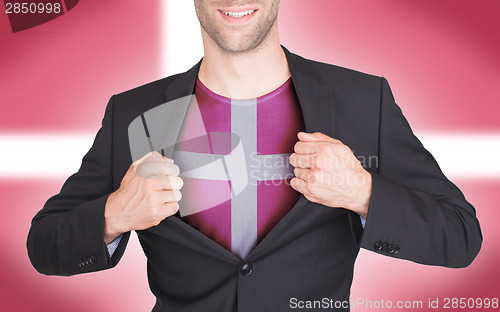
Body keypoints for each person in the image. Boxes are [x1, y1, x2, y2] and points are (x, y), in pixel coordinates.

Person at [27, 1, 482, 311]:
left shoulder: (362, 100)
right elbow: (44, 245)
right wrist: (114, 214)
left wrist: (363, 192)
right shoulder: (135, 112)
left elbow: (460, 236)